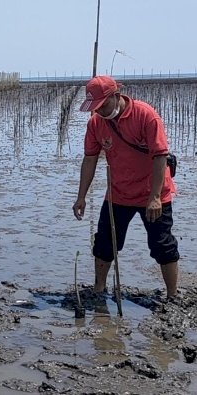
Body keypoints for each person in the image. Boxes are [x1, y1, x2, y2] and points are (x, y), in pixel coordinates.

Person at [73, 75, 179, 298]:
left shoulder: (145, 115)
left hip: (154, 191)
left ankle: (172, 296)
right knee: (104, 243)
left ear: (115, 95)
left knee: (162, 245)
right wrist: (81, 196)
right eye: (95, 108)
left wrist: (155, 197)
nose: (100, 112)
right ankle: (99, 290)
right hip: (118, 193)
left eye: (103, 105)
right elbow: (90, 159)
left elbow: (161, 156)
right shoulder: (95, 123)